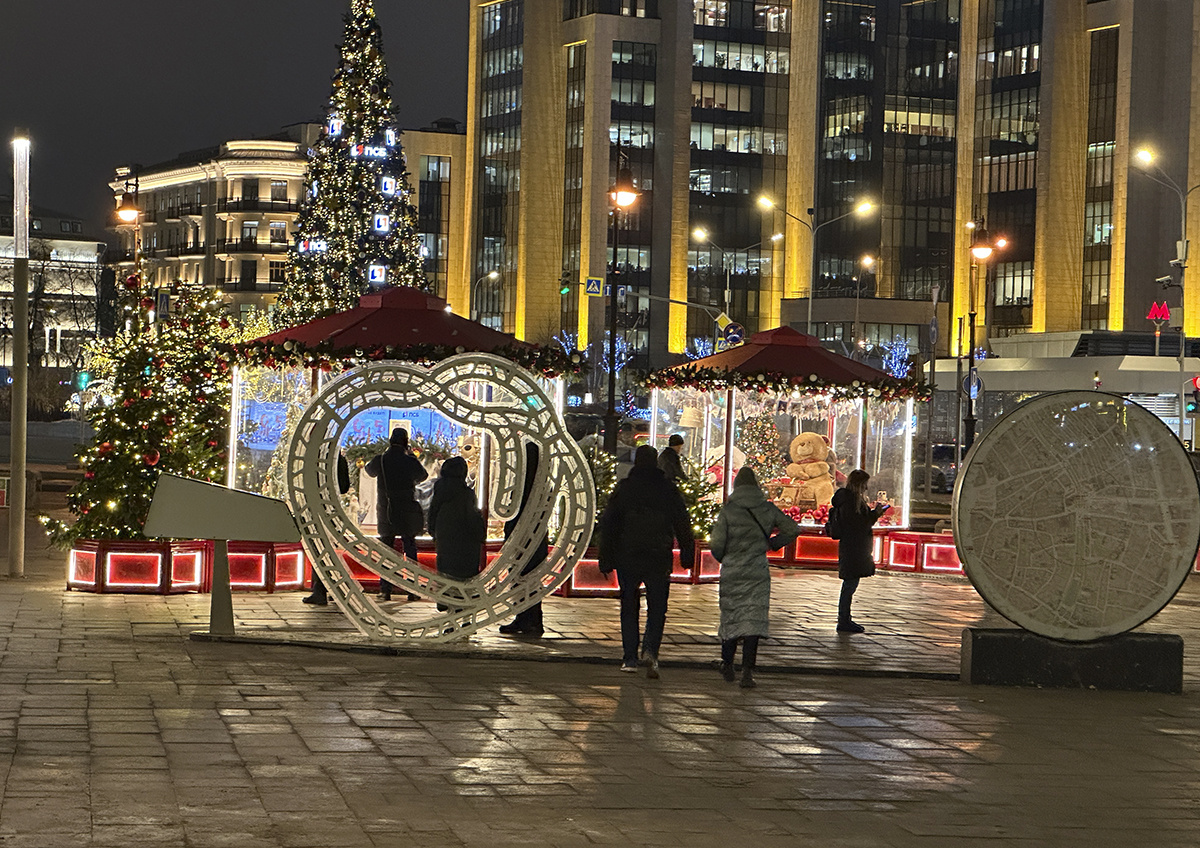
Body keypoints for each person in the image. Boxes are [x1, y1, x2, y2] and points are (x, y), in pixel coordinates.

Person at [598, 444, 695, 678]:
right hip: (658, 555)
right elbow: (682, 523)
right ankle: (651, 650)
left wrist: (605, 558)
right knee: (657, 607)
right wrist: (687, 553)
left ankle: (629, 657)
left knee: (629, 606)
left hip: (627, 555)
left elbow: (609, 525)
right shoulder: (667, 490)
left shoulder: (625, 489)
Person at [709, 466, 801, 688]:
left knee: (731, 614)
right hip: (757, 570)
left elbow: (716, 544)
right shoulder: (766, 509)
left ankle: (728, 663)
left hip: (733, 569)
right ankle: (748, 672)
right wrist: (772, 544)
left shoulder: (729, 511)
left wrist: (725, 557)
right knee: (753, 620)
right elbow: (792, 529)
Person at [364, 428, 428, 601]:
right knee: (409, 548)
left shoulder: (381, 460)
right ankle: (412, 590)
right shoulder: (409, 461)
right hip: (406, 509)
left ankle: (385, 589)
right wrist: (411, 459)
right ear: (406, 442)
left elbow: (369, 471)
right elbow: (423, 475)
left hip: (387, 510)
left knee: (386, 550)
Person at [829, 468, 889, 633]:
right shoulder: (851, 501)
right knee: (849, 584)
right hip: (853, 548)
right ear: (859, 484)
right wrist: (875, 514)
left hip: (852, 547)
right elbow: (859, 524)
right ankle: (844, 620)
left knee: (850, 584)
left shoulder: (848, 500)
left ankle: (845, 619)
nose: (866, 488)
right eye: (865, 484)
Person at [499, 443, 549, 637]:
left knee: (523, 578)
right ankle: (527, 618)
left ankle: (529, 620)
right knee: (528, 580)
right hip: (533, 539)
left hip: (525, 539)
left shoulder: (526, 485)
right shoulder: (540, 484)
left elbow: (516, 511)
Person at [426, 456, 486, 584]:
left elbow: (432, 515)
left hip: (445, 541)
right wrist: (481, 534)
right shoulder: (466, 494)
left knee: (445, 576)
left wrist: (434, 534)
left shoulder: (440, 491)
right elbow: (472, 519)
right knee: (464, 579)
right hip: (465, 545)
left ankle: (443, 601)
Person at [303, 452, 352, 605]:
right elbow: (344, 487)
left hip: (316, 508)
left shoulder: (314, 458)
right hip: (332, 509)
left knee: (319, 549)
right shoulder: (339, 459)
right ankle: (337, 590)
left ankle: (320, 591)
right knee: (329, 549)